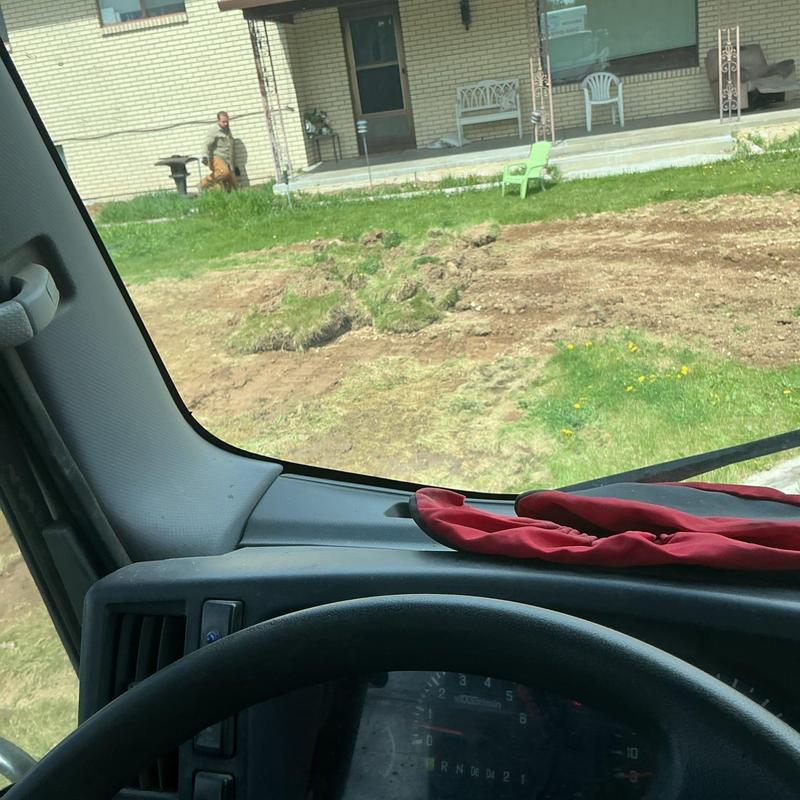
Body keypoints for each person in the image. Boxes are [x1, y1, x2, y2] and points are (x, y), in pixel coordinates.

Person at [202, 111, 238, 192]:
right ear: (218, 121)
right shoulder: (214, 130)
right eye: (223, 122)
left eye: (227, 121)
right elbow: (206, 144)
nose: (225, 123)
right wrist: (204, 156)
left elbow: (230, 147)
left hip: (227, 160)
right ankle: (203, 183)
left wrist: (234, 165)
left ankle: (223, 193)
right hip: (217, 157)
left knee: (235, 187)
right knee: (224, 172)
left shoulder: (227, 130)